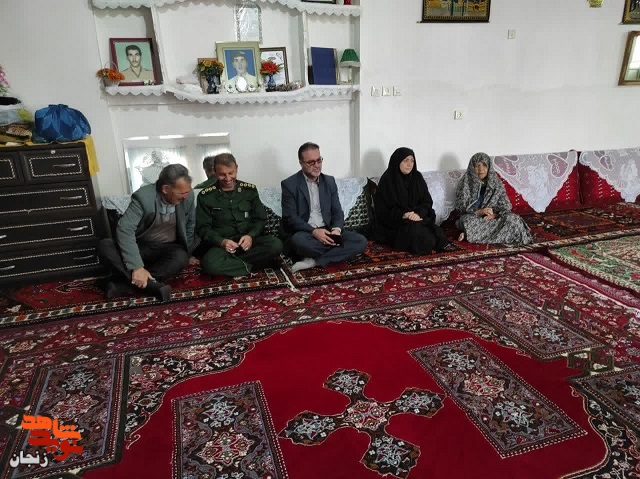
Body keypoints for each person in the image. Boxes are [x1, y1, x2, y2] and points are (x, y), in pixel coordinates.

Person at [98, 164, 196, 300]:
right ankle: (151, 285)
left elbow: (190, 225)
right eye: (181, 193)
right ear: (165, 189)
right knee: (105, 245)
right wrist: (137, 267)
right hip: (141, 246)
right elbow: (125, 229)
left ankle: (122, 284)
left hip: (168, 248)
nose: (186, 196)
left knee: (181, 257)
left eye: (187, 191)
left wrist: (188, 252)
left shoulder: (188, 196)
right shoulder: (143, 197)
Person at [281, 142, 368, 272]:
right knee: (298, 242)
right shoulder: (289, 184)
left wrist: (336, 230)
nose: (317, 165)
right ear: (301, 163)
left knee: (360, 241)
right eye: (311, 162)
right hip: (306, 232)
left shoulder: (329, 181)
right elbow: (290, 218)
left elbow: (337, 211)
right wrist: (314, 231)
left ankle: (314, 261)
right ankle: (336, 253)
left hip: (328, 230)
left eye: (319, 160)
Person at [195, 153, 283, 277]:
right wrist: (221, 241)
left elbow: (260, 219)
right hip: (223, 247)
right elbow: (202, 228)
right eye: (222, 174)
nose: (227, 178)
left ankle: (234, 265)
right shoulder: (205, 196)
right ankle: (255, 265)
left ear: (236, 168)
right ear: (214, 171)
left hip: (249, 243)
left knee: (276, 245)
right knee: (209, 264)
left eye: (231, 173)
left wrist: (251, 236)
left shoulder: (249, 190)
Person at [374, 147, 448, 254]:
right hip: (396, 224)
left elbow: (427, 202)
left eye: (412, 161)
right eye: (406, 160)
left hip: (417, 218)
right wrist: (403, 215)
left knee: (436, 232)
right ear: (397, 161)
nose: (409, 164)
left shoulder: (417, 177)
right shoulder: (388, 180)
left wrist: (418, 214)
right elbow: (382, 211)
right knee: (418, 232)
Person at [455, 152, 533, 245]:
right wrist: (480, 212)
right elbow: (461, 208)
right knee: (468, 222)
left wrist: (494, 215)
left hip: (493, 219)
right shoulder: (465, 183)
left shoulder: (496, 183)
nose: (481, 169)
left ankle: (471, 234)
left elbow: (505, 206)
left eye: (484, 165)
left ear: (489, 167)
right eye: (477, 165)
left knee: (513, 220)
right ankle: (474, 233)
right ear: (472, 167)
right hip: (473, 218)